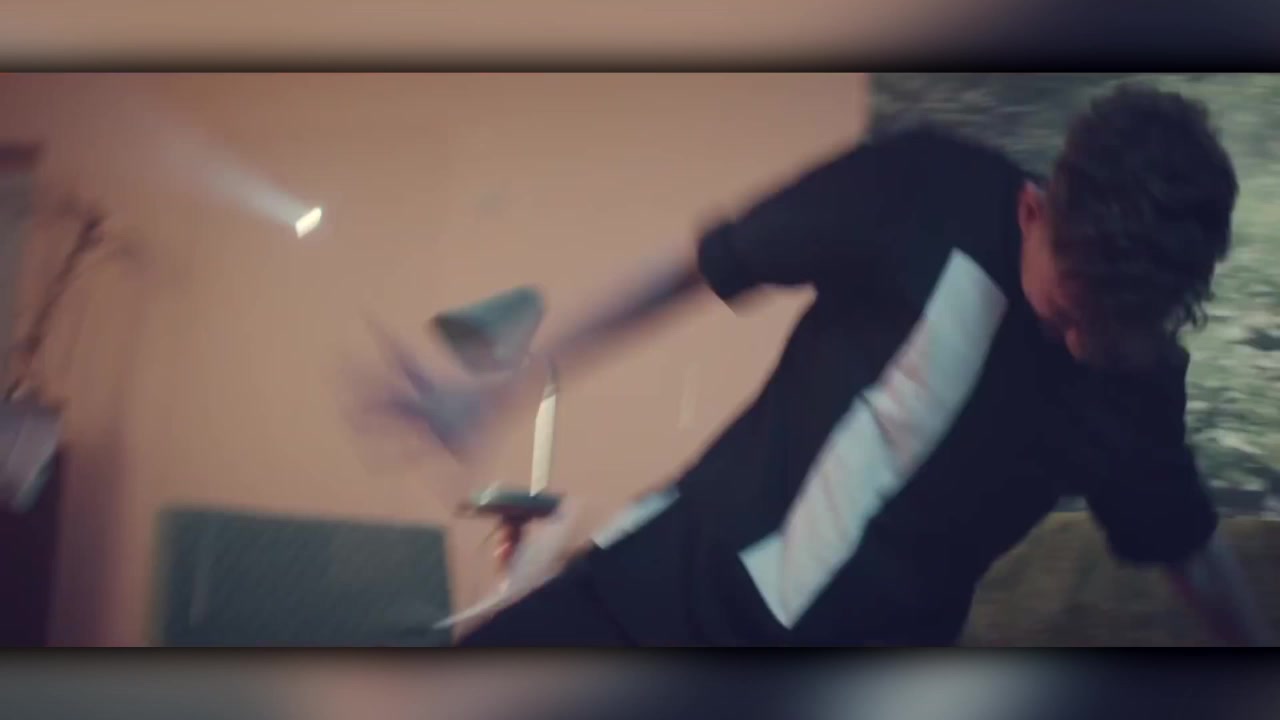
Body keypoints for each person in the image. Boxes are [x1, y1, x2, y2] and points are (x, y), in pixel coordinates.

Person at [392, 83, 1272, 646]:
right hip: (666, 591)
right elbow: (702, 266)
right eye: (1067, 314)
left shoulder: (1136, 390)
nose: (1081, 348)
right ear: (1032, 210)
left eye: (1113, 334)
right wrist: (503, 389)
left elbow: (1191, 554)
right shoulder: (924, 189)